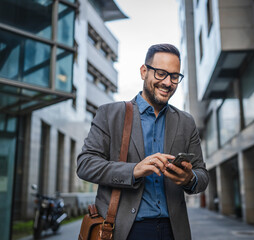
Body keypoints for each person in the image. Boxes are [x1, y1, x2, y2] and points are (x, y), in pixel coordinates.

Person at [77, 43, 209, 240]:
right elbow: (85, 164)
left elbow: (202, 175)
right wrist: (134, 170)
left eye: (174, 76)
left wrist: (190, 179)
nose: (168, 82)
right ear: (144, 71)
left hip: (174, 231)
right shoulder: (110, 114)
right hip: (124, 231)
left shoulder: (186, 122)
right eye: (161, 73)